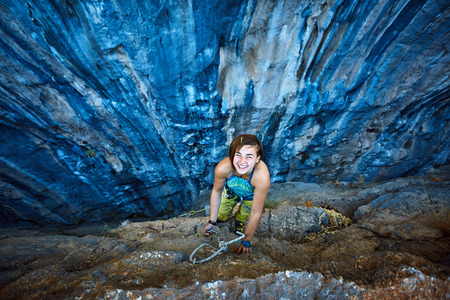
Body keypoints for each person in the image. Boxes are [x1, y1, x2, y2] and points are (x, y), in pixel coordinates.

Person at [202, 134, 270, 254]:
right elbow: (217, 191)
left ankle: (239, 221)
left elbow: (256, 212)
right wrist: (212, 222)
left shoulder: (261, 177)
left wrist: (246, 241)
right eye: (238, 155)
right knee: (222, 214)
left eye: (249, 156)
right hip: (230, 191)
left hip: (250, 195)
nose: (242, 161)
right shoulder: (224, 168)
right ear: (232, 154)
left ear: (257, 158)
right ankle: (223, 218)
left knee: (244, 214)